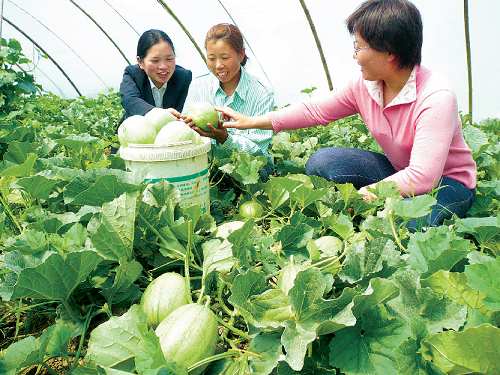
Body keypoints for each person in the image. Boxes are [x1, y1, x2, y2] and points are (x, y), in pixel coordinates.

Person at [216, 0, 477, 231]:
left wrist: (364, 197)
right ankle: (396, 200)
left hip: (447, 182)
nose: (354, 55)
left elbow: (424, 176)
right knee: (323, 161)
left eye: (359, 47)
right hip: (400, 170)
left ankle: (406, 209)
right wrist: (252, 121)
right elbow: (314, 110)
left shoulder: (435, 95)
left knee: (406, 221)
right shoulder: (365, 85)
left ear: (390, 53)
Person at [182, 23, 275, 181]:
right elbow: (184, 133)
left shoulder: (261, 92)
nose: (218, 65)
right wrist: (187, 127)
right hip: (207, 164)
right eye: (212, 58)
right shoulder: (198, 85)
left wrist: (226, 140)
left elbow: (259, 152)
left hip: (250, 171)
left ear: (241, 55)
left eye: (225, 58)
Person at [119, 29, 192, 124]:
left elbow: (183, 112)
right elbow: (129, 100)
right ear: (140, 62)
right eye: (155, 61)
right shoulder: (133, 74)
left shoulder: (183, 77)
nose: (163, 66)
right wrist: (159, 114)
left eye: (169, 59)